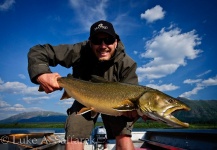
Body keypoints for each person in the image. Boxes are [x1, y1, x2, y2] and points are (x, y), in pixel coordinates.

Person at [28, 20, 143, 150]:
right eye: (97, 40)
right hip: (84, 99)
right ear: (90, 42)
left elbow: (132, 93)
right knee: (74, 135)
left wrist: (136, 111)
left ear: (116, 42)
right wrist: (41, 73)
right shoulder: (79, 51)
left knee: (124, 136)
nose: (103, 45)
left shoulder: (127, 63)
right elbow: (38, 51)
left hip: (116, 103)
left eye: (108, 40)